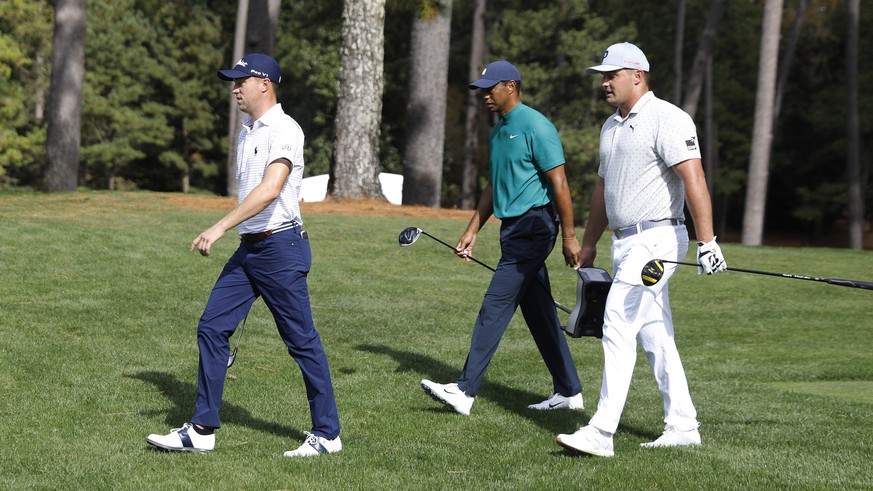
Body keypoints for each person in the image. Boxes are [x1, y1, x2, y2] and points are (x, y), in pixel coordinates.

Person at [146, 54, 341, 457]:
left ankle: (327, 434)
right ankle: (202, 430)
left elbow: (271, 189)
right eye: (233, 81)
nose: (234, 88)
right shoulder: (247, 130)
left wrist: (219, 226)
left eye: (241, 81)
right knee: (212, 326)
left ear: (264, 84)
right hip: (251, 249)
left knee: (301, 341)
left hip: (282, 248)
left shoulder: (285, 129)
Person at [554, 42, 727, 457]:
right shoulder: (610, 126)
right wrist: (591, 240)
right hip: (623, 242)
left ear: (638, 75)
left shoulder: (667, 118)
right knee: (654, 333)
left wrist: (708, 242)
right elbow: (604, 189)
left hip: (659, 240)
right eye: (603, 76)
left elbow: (694, 178)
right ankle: (683, 424)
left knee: (616, 319)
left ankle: (601, 431)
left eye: (611, 75)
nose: (604, 83)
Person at [420, 60, 584, 416]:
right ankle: (569, 391)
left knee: (495, 304)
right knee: (539, 312)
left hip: (535, 226)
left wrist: (570, 236)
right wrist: (472, 229)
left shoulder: (537, 126)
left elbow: (560, 183)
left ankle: (464, 390)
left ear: (511, 86)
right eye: (482, 90)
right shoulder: (497, 133)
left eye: (490, 89)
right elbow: (494, 187)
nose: (484, 96)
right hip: (512, 228)